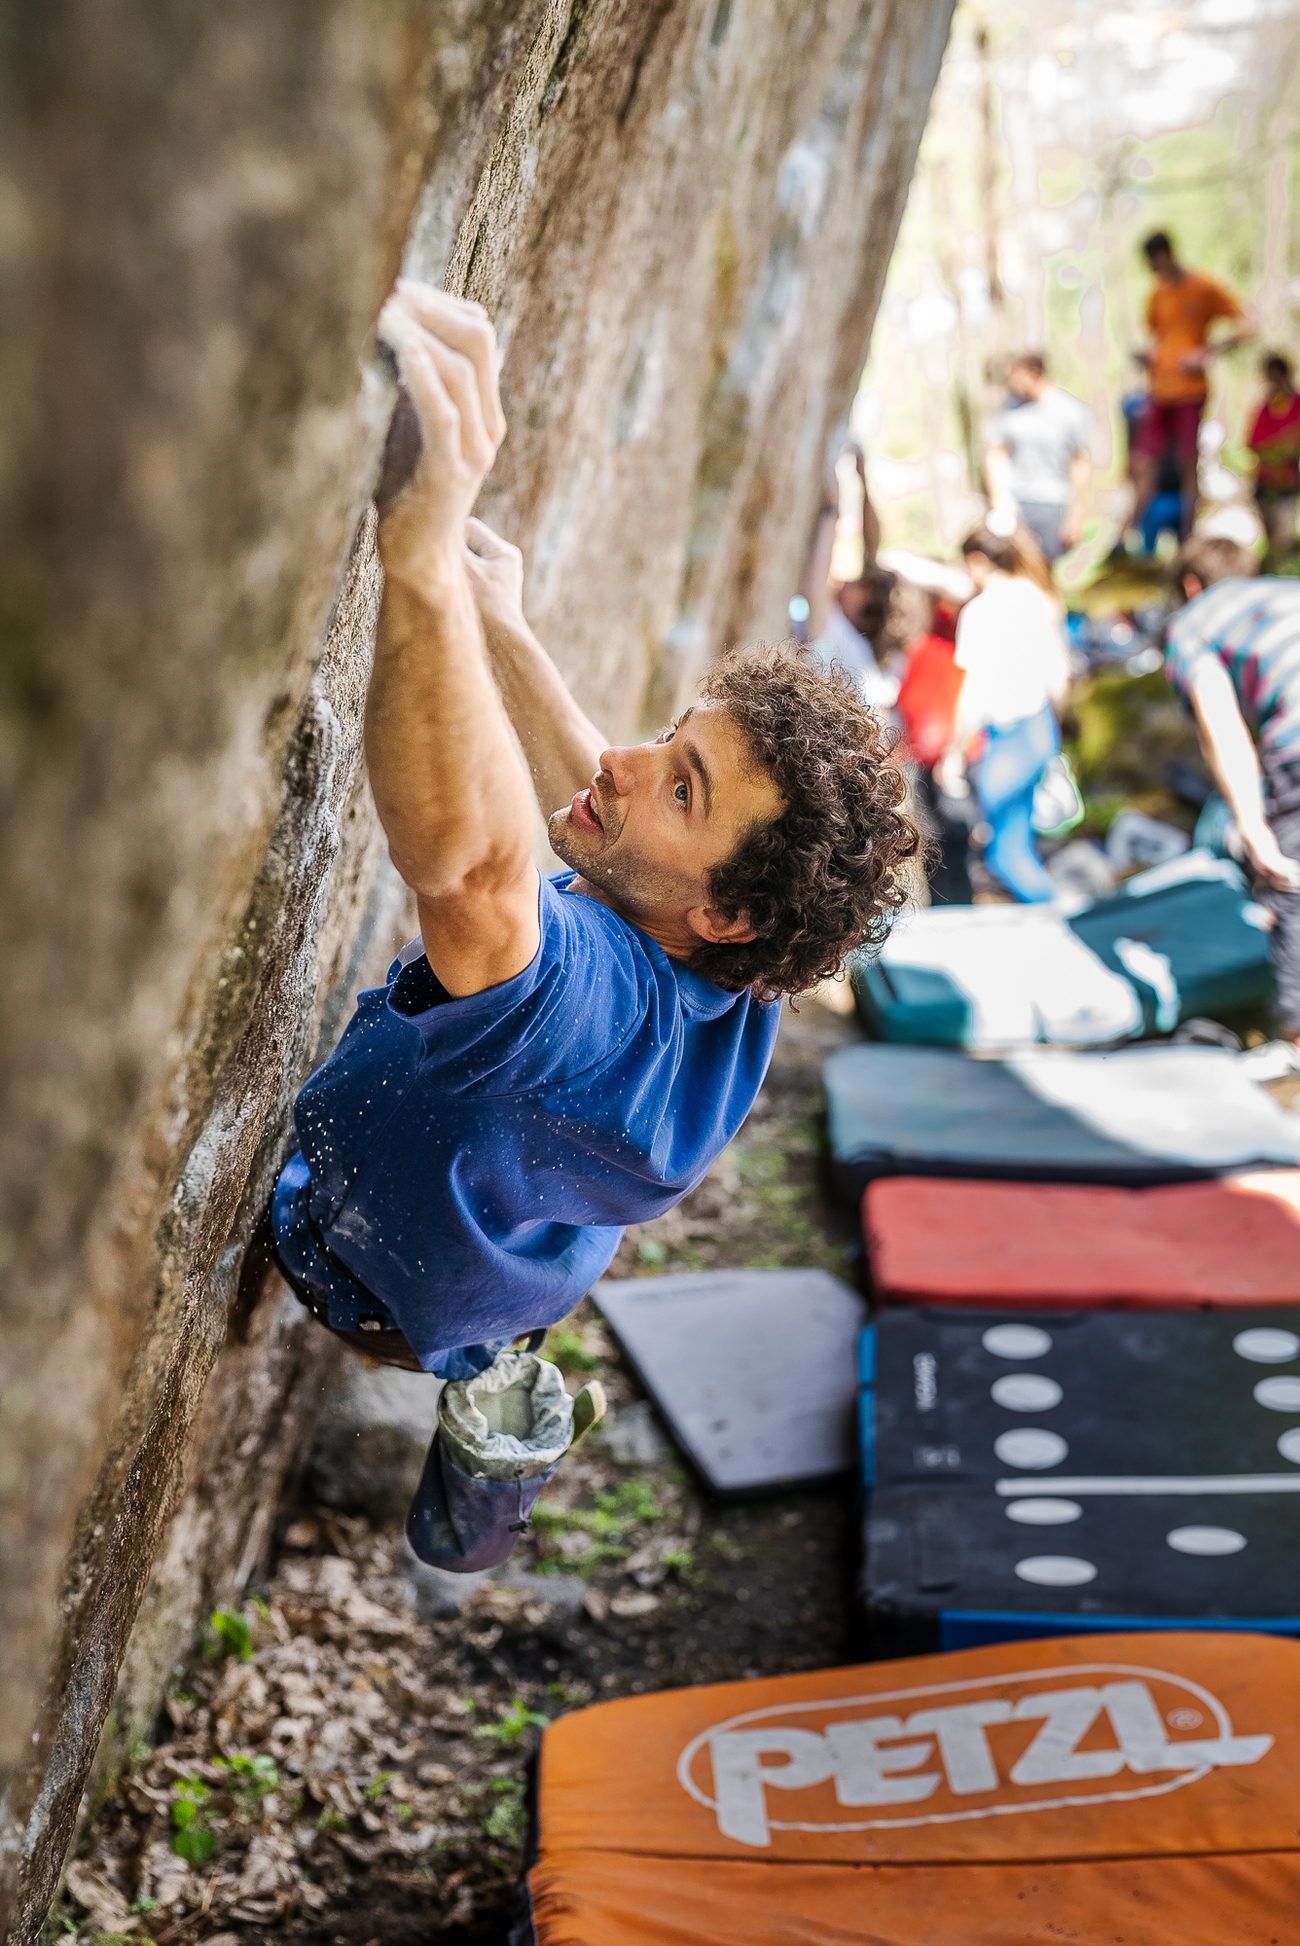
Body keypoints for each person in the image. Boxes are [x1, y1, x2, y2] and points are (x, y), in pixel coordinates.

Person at [268, 280, 918, 1396]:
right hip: (504, 1266)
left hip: (358, 1268)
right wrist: (502, 625)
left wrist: (420, 558)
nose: (625, 761)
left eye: (682, 788)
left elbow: (475, 874)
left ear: (720, 911)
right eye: (670, 740)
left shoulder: (594, 1012)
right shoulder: (736, 957)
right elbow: (605, 798)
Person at [1163, 534, 1300, 1041]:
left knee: (1290, 884)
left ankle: (1295, 1044)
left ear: (1191, 584)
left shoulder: (1192, 623)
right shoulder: (1286, 592)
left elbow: (1220, 723)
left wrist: (1254, 827)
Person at [935, 520, 1070, 904]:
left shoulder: (981, 611)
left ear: (977, 561)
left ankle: (1055, 915)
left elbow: (974, 692)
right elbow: (1059, 675)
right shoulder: (1037, 597)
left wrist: (953, 752)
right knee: (1020, 839)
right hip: (1041, 727)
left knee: (1004, 854)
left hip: (1010, 737)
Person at [1133, 232, 1256, 543]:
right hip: (1159, 390)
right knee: (1145, 461)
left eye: (1156, 264)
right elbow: (1159, 339)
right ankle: (1131, 535)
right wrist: (1149, 356)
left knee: (1188, 462)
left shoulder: (1203, 287)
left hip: (1190, 391)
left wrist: (1208, 352)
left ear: (1167, 255)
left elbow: (1246, 326)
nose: (1155, 271)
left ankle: (1188, 534)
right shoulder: (1157, 294)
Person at [801, 444, 899, 710]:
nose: (849, 580)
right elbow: (872, 546)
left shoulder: (848, 649)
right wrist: (863, 481)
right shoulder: (862, 646)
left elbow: (816, 589)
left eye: (859, 585)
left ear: (865, 614)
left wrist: (833, 508)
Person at [895, 598, 972, 904]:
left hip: (947, 750)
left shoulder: (950, 632)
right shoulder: (914, 645)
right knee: (933, 840)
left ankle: (959, 906)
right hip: (922, 751)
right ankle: (946, 907)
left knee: (953, 837)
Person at [984, 352, 1092, 563]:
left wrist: (1077, 514)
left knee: (1050, 567)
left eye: (1016, 376)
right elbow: (996, 456)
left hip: (1055, 503)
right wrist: (999, 502)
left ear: (1035, 373)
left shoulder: (1070, 411)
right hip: (1018, 502)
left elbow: (1079, 464)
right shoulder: (1007, 410)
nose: (1012, 383)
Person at [1247, 352, 1300, 566]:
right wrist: (1278, 446)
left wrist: (1278, 447)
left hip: (1287, 480)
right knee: (1269, 534)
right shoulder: (1266, 406)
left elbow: (1293, 442)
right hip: (1264, 478)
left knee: (1283, 536)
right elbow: (1252, 441)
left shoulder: (1296, 405)